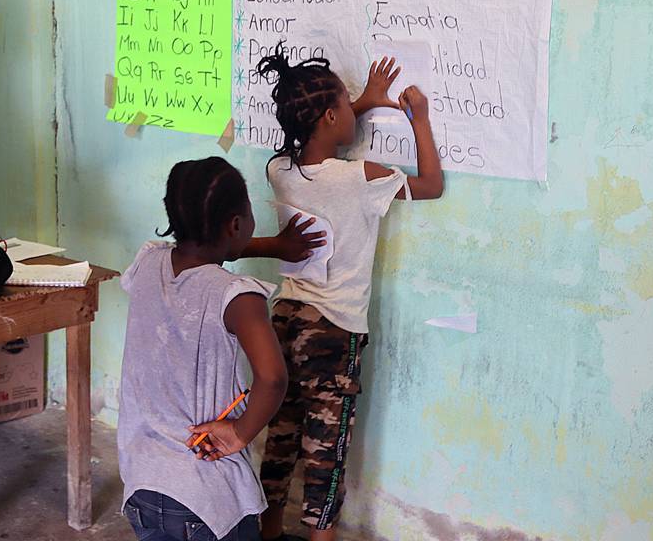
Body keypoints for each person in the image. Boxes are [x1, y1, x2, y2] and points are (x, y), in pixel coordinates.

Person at [254, 48, 443, 541]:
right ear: (333, 115)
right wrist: (417, 118)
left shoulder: (279, 170)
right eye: (345, 100)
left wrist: (359, 102)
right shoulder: (360, 178)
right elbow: (431, 185)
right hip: (334, 333)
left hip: (286, 320)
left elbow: (316, 137)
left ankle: (268, 530)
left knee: (282, 437)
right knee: (326, 455)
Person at [117, 156, 325, 541]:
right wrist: (241, 432)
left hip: (142, 484)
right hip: (205, 494)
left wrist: (272, 247)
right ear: (235, 225)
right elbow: (273, 378)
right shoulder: (238, 297)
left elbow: (198, 259)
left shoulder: (147, 262)